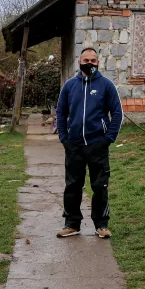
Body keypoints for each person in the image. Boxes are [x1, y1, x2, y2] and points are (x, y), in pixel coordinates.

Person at [55, 47, 123, 239]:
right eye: (86, 60)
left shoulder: (106, 85)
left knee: (100, 186)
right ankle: (72, 224)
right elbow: (61, 113)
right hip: (74, 145)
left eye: (93, 60)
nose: (90, 63)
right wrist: (64, 138)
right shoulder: (69, 86)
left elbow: (117, 113)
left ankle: (101, 225)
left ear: (98, 63)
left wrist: (108, 139)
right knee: (72, 185)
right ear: (79, 62)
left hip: (97, 144)